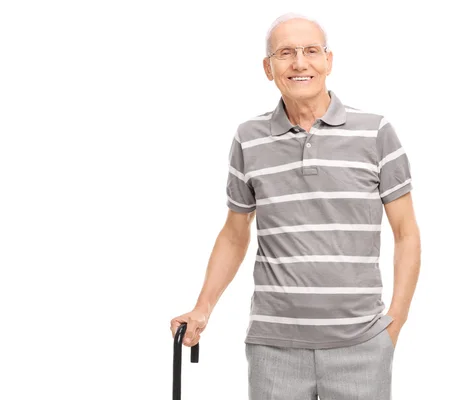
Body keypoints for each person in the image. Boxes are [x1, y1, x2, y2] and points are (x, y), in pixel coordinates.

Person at [170, 12, 421, 399]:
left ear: (328, 61)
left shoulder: (375, 132)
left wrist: (396, 320)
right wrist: (202, 308)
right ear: (268, 68)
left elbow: (406, 232)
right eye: (285, 53)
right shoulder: (248, 138)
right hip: (274, 345)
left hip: (361, 343)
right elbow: (235, 234)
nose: (299, 63)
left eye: (311, 51)